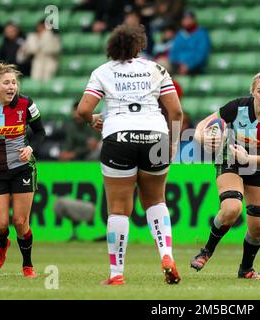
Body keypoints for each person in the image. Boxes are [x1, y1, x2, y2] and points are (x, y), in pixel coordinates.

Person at [77, 24, 183, 285]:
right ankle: (167, 255)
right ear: (139, 46)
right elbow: (177, 112)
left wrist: (93, 121)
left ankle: (116, 274)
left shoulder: (102, 72)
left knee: (119, 209)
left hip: (118, 136)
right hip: (155, 136)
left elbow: (83, 109)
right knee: (156, 201)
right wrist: (174, 144)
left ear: (112, 46)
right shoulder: (156, 69)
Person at [190, 67, 260, 279]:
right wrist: (200, 137)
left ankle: (246, 269)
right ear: (253, 91)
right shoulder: (237, 107)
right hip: (230, 160)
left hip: (259, 165)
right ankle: (206, 251)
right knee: (231, 209)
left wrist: (250, 159)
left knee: (258, 228)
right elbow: (202, 126)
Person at [0, 61, 46, 277]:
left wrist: (30, 147)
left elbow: (41, 132)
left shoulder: (27, 103)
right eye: (6, 83)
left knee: (20, 221)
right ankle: (2, 244)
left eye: (14, 83)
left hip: (22, 169)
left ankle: (28, 265)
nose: (11, 87)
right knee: (0, 226)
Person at [169, 10, 211, 75]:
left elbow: (201, 54)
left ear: (193, 20)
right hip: (178, 66)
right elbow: (174, 51)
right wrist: (177, 64)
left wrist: (189, 65)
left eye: (188, 18)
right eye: (184, 19)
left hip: (195, 67)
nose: (186, 21)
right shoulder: (180, 34)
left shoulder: (201, 33)